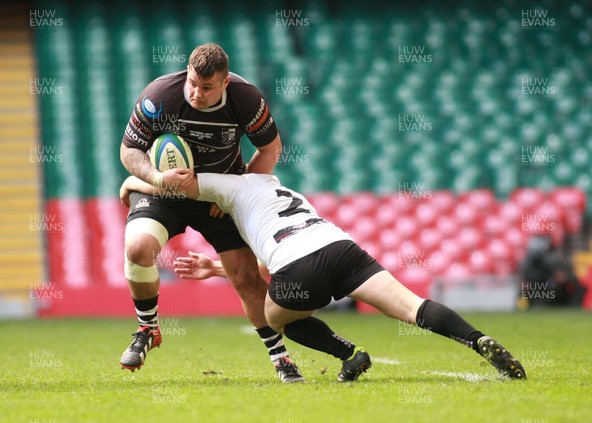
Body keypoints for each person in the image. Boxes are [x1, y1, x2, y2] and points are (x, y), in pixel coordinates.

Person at [120, 171, 527, 381]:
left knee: (276, 318)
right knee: (412, 307)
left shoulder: (231, 187)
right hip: (340, 248)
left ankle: (349, 355)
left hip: (298, 266)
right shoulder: (284, 190)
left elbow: (179, 184)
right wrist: (214, 267)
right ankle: (479, 340)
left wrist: (130, 183)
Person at [119, 43, 304, 382]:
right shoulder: (160, 95)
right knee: (137, 248)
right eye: (192, 82)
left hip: (218, 196)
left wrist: (236, 191)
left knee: (247, 277)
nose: (196, 93)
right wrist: (157, 177)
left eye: (206, 87)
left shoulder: (246, 99)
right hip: (166, 189)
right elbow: (129, 150)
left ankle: (281, 359)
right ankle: (147, 329)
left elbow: (270, 149)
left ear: (225, 84)